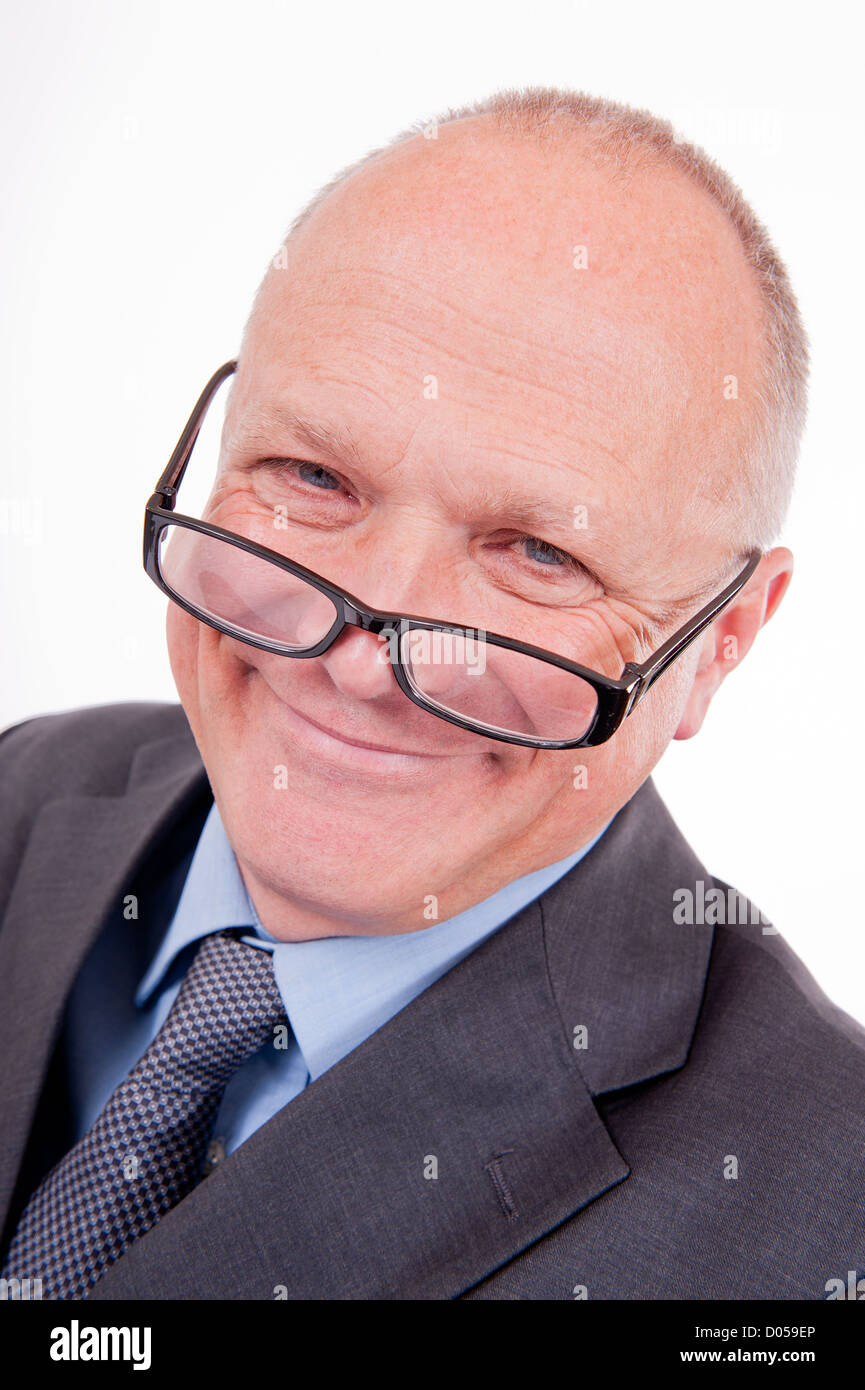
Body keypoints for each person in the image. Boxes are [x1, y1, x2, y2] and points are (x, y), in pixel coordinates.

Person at [1, 86, 863, 1303]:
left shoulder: (826, 1226)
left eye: (537, 554)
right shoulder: (28, 790)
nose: (356, 655)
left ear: (718, 642)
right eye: (312, 474)